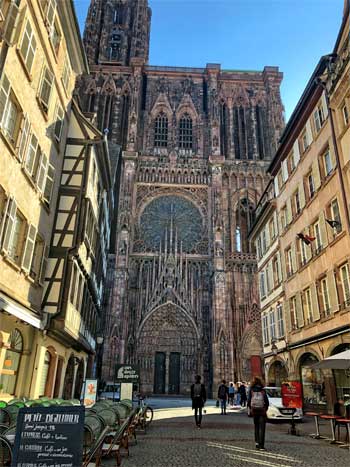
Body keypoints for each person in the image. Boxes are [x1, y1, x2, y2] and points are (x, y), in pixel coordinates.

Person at [247, 376, 269, 451]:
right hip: (262, 411)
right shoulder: (263, 390)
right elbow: (267, 402)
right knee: (262, 428)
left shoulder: (251, 390)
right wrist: (265, 409)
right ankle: (261, 446)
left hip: (255, 411)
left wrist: (251, 409)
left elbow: (249, 400)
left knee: (256, 427)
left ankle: (256, 443)